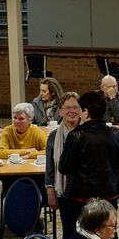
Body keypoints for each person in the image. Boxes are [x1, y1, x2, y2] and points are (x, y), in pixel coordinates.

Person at [58, 90, 119, 235]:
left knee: (75, 237)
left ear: (86, 112)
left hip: (80, 199)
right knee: (108, 235)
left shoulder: (75, 135)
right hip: (109, 195)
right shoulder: (118, 134)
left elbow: (64, 168)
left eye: (81, 110)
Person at [44, 92, 83, 229]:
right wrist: (50, 191)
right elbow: (49, 166)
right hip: (64, 194)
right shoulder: (54, 136)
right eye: (68, 108)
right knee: (69, 230)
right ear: (60, 111)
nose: (72, 111)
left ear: (81, 110)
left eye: (76, 107)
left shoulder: (87, 133)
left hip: (85, 192)